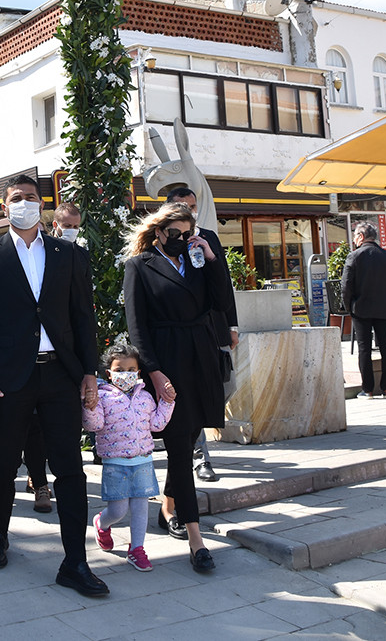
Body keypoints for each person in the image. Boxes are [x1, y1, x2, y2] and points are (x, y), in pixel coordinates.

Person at [0, 174, 107, 597]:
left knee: (70, 469)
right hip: (8, 379)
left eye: (30, 197)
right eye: (16, 198)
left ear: (42, 205)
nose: (24, 203)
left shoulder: (69, 254)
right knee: (4, 463)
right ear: (4, 207)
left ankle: (75, 562)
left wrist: (89, 371)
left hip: (60, 375)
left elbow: (83, 318)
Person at [123, 201, 233, 573]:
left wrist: (212, 259)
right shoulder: (140, 265)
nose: (183, 239)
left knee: (187, 441)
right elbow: (137, 326)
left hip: (201, 356)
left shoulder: (198, 261)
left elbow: (220, 302)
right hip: (168, 360)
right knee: (179, 446)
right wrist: (153, 372)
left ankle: (169, 506)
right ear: (158, 233)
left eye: (189, 233)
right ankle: (196, 537)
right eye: (176, 234)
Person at [164, 187, 238, 483]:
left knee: (225, 387)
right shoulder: (161, 244)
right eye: (182, 205)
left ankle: (193, 443)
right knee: (190, 398)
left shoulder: (207, 236)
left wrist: (232, 325)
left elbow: (223, 282)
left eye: (193, 205)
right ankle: (199, 456)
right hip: (181, 336)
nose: (189, 209)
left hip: (213, 329)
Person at [83, 343, 174, 572]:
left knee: (141, 508)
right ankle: (101, 524)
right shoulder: (103, 397)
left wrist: (167, 402)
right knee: (118, 511)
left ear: (138, 372)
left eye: (131, 369)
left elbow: (156, 424)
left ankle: (137, 549)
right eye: (120, 369)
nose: (126, 374)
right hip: (115, 463)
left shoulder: (145, 398)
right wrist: (90, 406)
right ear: (109, 373)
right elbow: (94, 425)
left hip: (143, 460)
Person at [341, 221, 386, 399]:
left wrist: (349, 307)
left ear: (360, 237)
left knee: (364, 349)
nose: (354, 240)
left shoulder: (354, 257)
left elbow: (346, 287)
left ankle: (367, 390)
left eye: (354, 236)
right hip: (385, 309)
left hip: (361, 310)